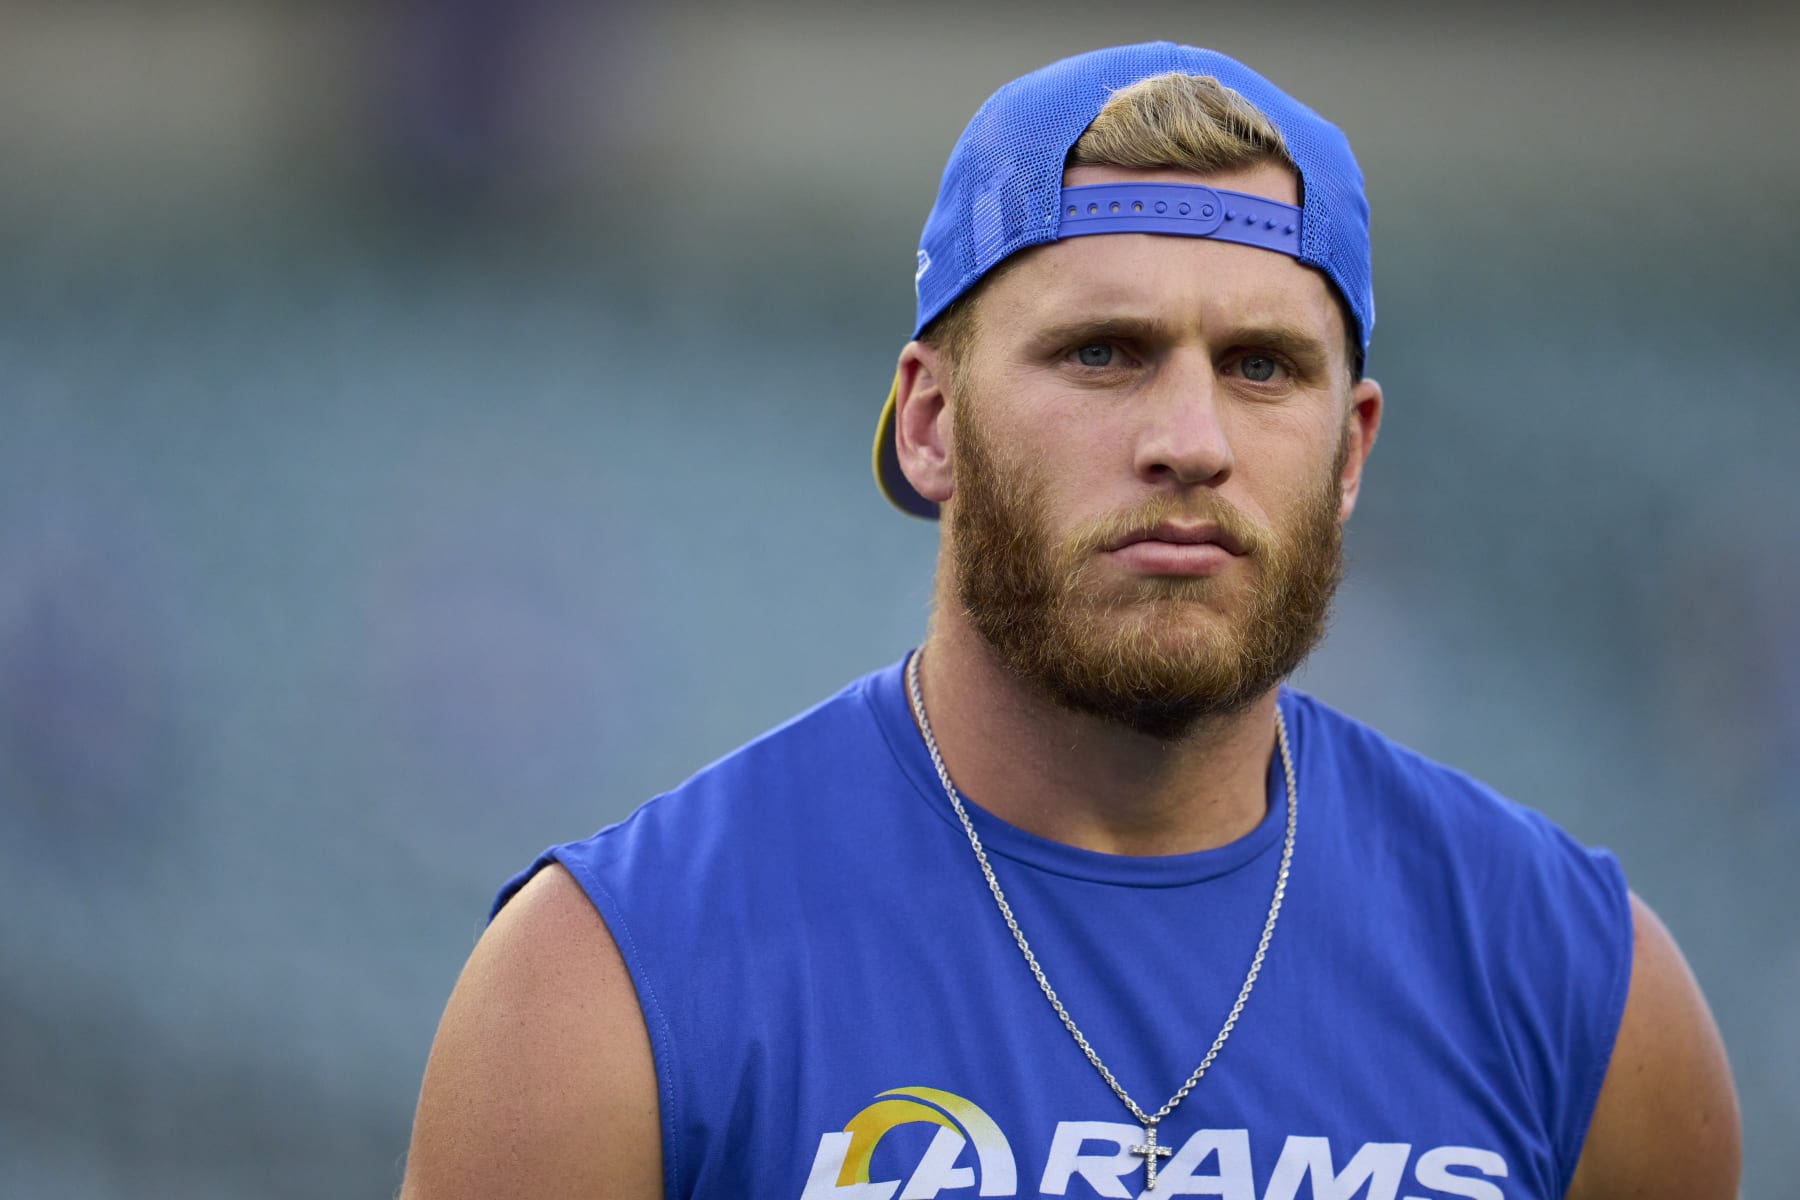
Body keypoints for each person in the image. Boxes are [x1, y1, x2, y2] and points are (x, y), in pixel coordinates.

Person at [399, 43, 1739, 1200]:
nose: (1190, 440)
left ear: (1350, 451)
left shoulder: (1582, 990)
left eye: (1263, 368)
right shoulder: (608, 986)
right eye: (1103, 353)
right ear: (932, 423)